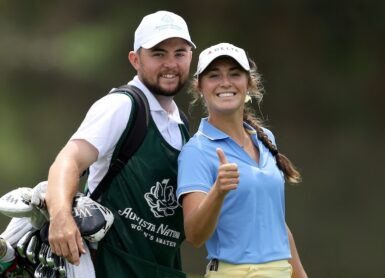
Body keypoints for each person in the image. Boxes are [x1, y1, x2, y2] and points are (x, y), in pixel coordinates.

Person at [45, 10, 195, 278]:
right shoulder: (122, 106)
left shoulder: (182, 124)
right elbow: (68, 160)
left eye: (180, 53)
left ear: (190, 58)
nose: (171, 64)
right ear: (135, 59)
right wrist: (60, 217)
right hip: (110, 268)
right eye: (159, 54)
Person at [177, 42, 307, 278]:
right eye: (214, 76)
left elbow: (276, 224)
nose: (225, 82)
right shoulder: (196, 151)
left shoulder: (265, 138)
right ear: (200, 87)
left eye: (234, 74)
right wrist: (218, 191)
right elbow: (194, 235)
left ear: (249, 83)